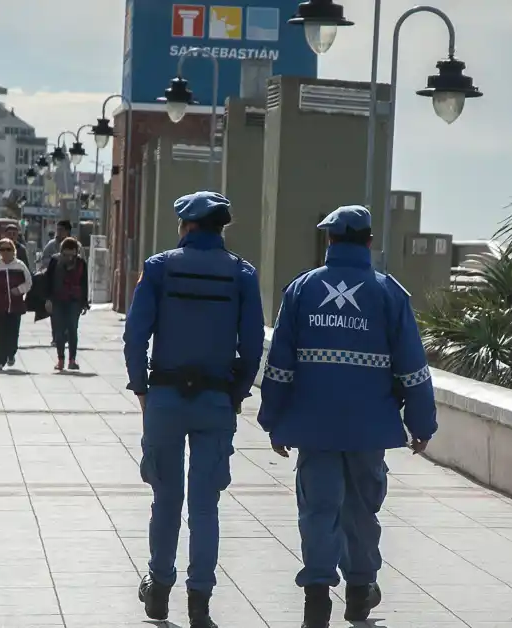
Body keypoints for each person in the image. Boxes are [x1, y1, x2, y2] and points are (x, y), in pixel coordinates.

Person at [257, 205, 437, 628]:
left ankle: (317, 596)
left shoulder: (302, 290)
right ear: (370, 242)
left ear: (329, 241)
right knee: (361, 510)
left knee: (319, 508)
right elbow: (413, 366)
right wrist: (422, 423)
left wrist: (273, 418)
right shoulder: (389, 293)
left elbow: (279, 364)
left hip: (314, 426)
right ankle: (359, 592)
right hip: (368, 427)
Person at [123, 191, 265, 628]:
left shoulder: (160, 267)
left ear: (186, 226)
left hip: (165, 397)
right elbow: (254, 343)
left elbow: (134, 335)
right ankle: (199, 600)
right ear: (221, 227)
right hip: (215, 399)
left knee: (165, 498)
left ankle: (159, 590)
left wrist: (141, 387)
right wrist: (236, 392)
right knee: (205, 505)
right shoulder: (242, 273)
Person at [0, 238, 33, 370]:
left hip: (15, 306)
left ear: (13, 251)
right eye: (2, 249)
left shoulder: (20, 266)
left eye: (8, 249)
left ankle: (11, 353)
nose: (5, 252)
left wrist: (19, 290)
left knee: (12, 333)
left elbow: (29, 283)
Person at [43, 237, 89, 370]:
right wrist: (48, 299)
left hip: (74, 301)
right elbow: (48, 281)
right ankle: (61, 359)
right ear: (61, 251)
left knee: (72, 329)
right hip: (57, 300)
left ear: (76, 251)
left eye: (72, 252)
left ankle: (72, 359)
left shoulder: (81, 263)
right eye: (66, 252)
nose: (69, 256)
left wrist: (84, 303)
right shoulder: (55, 261)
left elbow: (84, 283)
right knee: (59, 331)